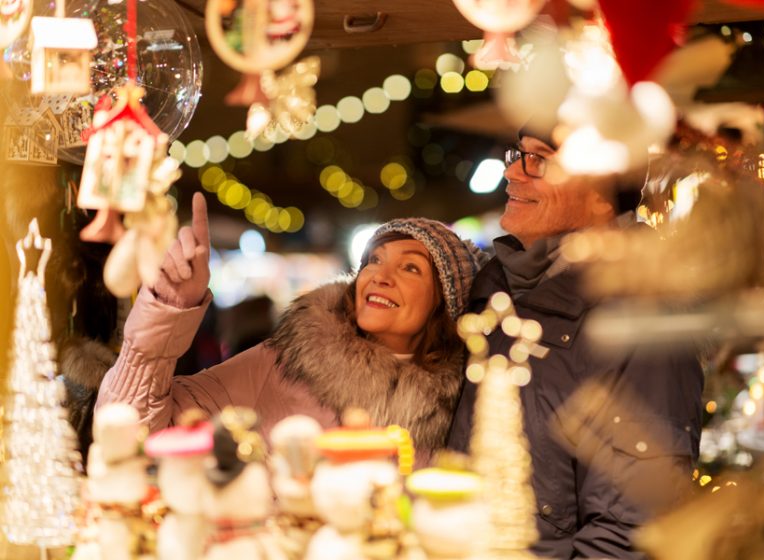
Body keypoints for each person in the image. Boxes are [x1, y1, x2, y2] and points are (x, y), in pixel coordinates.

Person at [447, 131, 704, 559]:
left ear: (603, 190)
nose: (512, 172)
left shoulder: (642, 311)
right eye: (518, 155)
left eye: (539, 160)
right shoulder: (496, 286)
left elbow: (631, 528)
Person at [96, 193, 485, 460]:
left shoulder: (460, 408)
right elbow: (131, 430)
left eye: (410, 267)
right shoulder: (285, 363)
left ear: (445, 304)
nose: (379, 276)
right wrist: (168, 308)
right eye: (374, 260)